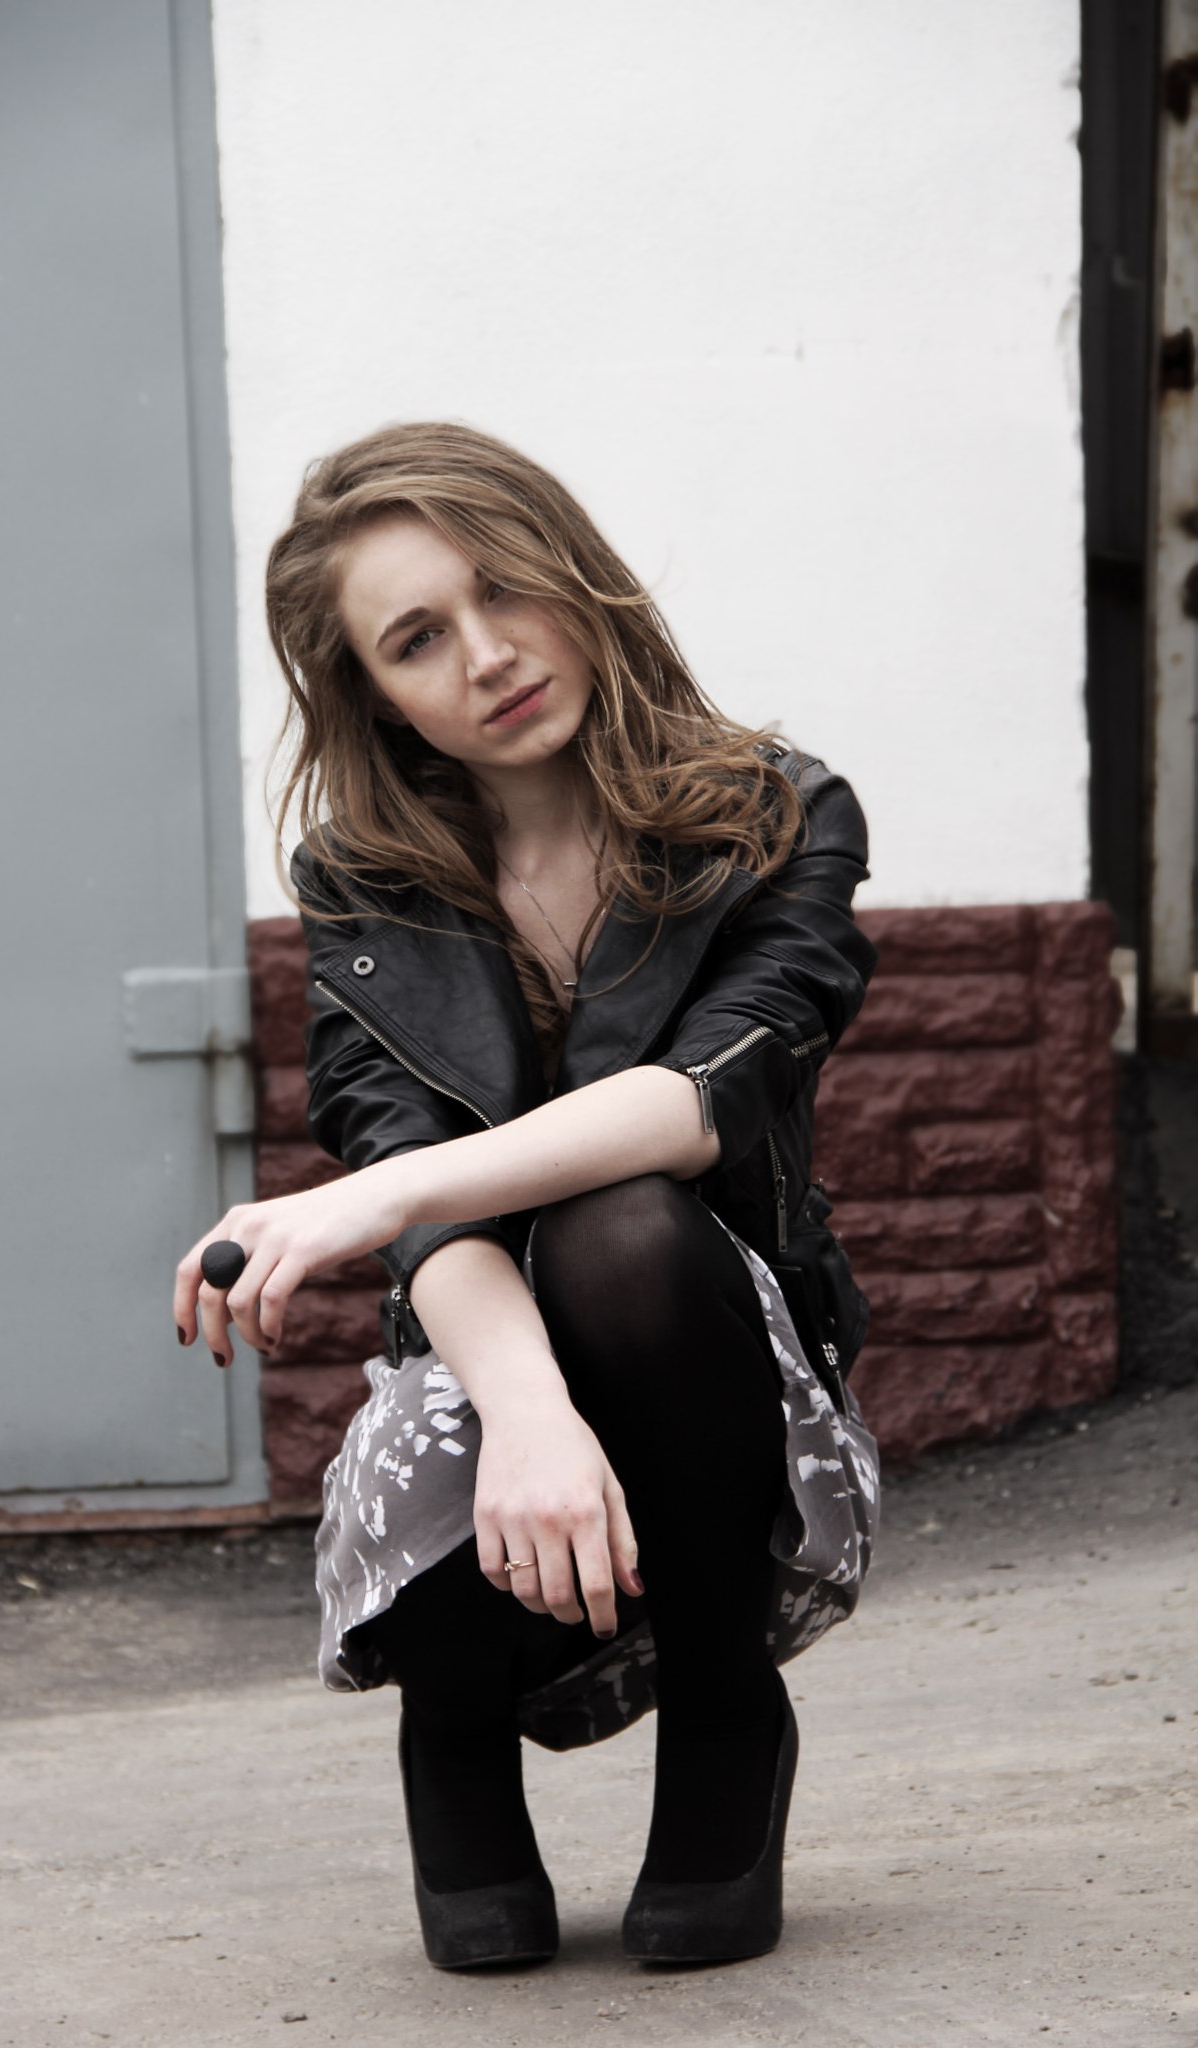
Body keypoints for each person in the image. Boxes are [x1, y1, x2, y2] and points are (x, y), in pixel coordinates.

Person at [173, 421, 881, 1971]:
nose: (486, 654)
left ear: (572, 571)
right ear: (378, 695)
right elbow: (429, 1208)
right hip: (476, 1342)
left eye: (502, 588)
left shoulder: (775, 814)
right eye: (417, 638)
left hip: (718, 1351)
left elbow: (699, 1100)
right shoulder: (361, 884)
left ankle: (724, 1715)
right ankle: (452, 1737)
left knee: (623, 1228)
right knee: (447, 1440)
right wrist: (529, 1413)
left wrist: (372, 1199)